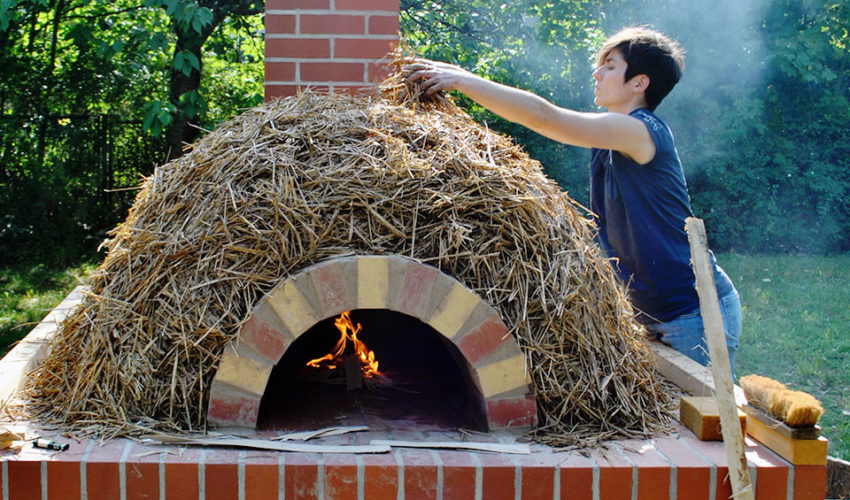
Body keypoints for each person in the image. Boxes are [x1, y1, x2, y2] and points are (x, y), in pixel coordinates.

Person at [405, 27, 741, 373]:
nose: (597, 72)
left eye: (610, 66)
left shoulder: (640, 130)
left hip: (695, 315)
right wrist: (454, 74)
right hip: (653, 313)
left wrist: (460, 81)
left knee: (708, 422)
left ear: (639, 82)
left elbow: (544, 116)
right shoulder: (609, 137)